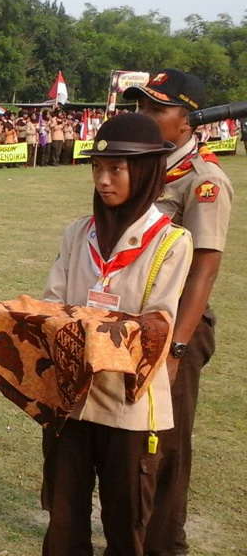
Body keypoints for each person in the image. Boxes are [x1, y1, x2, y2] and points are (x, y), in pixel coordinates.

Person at [41, 113, 193, 555]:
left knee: (126, 524)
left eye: (116, 169)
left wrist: (80, 324)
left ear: (145, 172)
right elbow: (51, 305)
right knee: (64, 520)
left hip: (129, 407)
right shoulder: (78, 233)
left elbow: (156, 326)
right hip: (72, 401)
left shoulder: (171, 242)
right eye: (97, 168)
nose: (103, 181)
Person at [123, 69, 234, 556]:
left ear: (187, 120)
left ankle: (165, 544)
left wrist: (176, 349)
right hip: (131, 323)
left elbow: (204, 270)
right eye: (140, 107)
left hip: (176, 329)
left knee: (165, 445)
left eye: (156, 109)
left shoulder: (203, 180)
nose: (144, 116)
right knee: (128, 440)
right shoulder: (147, 167)